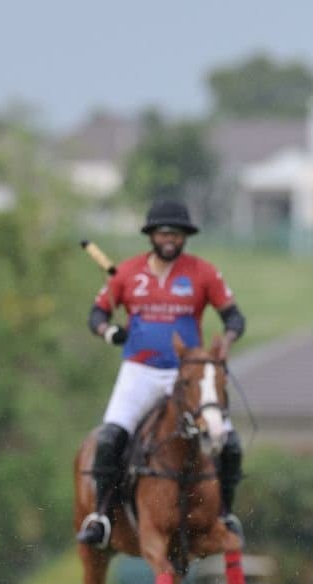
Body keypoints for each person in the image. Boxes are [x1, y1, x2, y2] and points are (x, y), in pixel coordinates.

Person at [76, 199, 247, 549]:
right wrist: (109, 332)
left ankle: (225, 513)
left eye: (177, 233)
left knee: (229, 445)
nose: (170, 238)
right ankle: (102, 516)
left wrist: (228, 340)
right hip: (139, 371)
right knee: (110, 440)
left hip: (186, 377)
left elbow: (234, 317)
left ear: (185, 237)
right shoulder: (126, 274)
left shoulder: (203, 273)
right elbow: (96, 315)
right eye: (164, 232)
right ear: (152, 235)